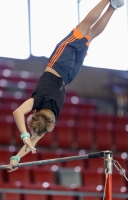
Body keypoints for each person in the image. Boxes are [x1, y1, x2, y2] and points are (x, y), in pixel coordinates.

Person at [7, 0, 124, 172]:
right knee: (83, 27)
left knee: (89, 37)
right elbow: (17, 113)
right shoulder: (37, 101)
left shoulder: (50, 118)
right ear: (34, 115)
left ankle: (114, 7)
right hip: (59, 65)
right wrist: (24, 135)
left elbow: (32, 142)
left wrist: (16, 158)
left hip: (70, 75)